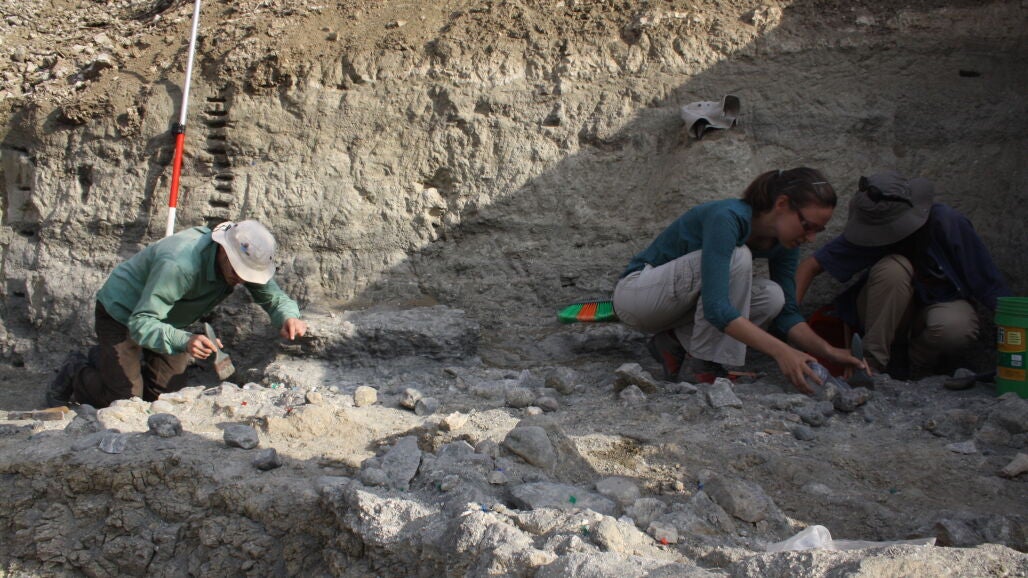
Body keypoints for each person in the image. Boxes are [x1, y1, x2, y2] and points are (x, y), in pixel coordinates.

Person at [613, 168, 866, 394]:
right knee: (738, 256)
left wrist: (829, 351)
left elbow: (788, 313)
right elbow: (716, 307)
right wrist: (783, 352)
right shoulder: (728, 217)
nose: (810, 238)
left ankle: (674, 343)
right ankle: (703, 365)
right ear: (782, 204)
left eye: (818, 231)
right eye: (807, 226)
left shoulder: (784, 242)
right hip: (637, 296)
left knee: (773, 296)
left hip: (675, 307)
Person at [46, 220, 309, 408]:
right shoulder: (180, 265)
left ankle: (110, 360)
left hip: (167, 319)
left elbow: (273, 296)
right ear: (223, 251)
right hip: (123, 314)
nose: (242, 280)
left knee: (166, 399)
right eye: (238, 272)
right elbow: (141, 323)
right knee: (124, 401)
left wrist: (288, 316)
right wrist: (185, 341)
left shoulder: (238, 260)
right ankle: (77, 370)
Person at [796, 170, 1009, 378]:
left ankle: (914, 366)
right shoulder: (873, 231)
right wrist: (789, 321)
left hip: (936, 312)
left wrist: (1016, 334)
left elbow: (989, 285)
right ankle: (871, 364)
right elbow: (810, 266)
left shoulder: (946, 222)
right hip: (884, 315)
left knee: (956, 327)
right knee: (893, 268)